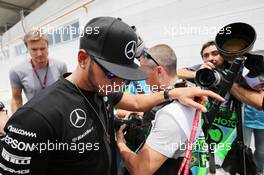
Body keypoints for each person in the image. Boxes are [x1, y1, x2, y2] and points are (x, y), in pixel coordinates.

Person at [0, 17, 224, 175]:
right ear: (82, 58)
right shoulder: (36, 119)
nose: (118, 84)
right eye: (112, 73)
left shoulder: (103, 86)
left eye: (124, 76)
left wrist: (172, 92)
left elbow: (136, 102)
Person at [177, 41, 264, 173]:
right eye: (206, 55)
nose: (210, 58)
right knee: (201, 167)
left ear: (224, 55)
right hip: (205, 130)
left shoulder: (237, 71)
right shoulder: (203, 68)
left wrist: (225, 79)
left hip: (231, 134)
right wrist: (199, 73)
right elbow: (177, 72)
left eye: (215, 53)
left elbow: (259, 102)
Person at [116, 44, 202, 175]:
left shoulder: (172, 112)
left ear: (159, 71)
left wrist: (121, 143)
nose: (142, 79)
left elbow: (140, 170)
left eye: (144, 74)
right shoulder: (183, 98)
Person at [9, 30, 67, 113]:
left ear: (48, 46)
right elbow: (16, 98)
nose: (39, 53)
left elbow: (65, 93)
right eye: (34, 49)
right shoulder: (16, 71)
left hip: (57, 115)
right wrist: (16, 122)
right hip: (34, 117)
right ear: (27, 49)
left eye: (43, 48)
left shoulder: (61, 66)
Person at [242, 50, 264, 174]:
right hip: (246, 119)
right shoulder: (246, 78)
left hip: (262, 121)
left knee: (262, 150)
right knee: (244, 148)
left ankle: (259, 171)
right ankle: (244, 170)